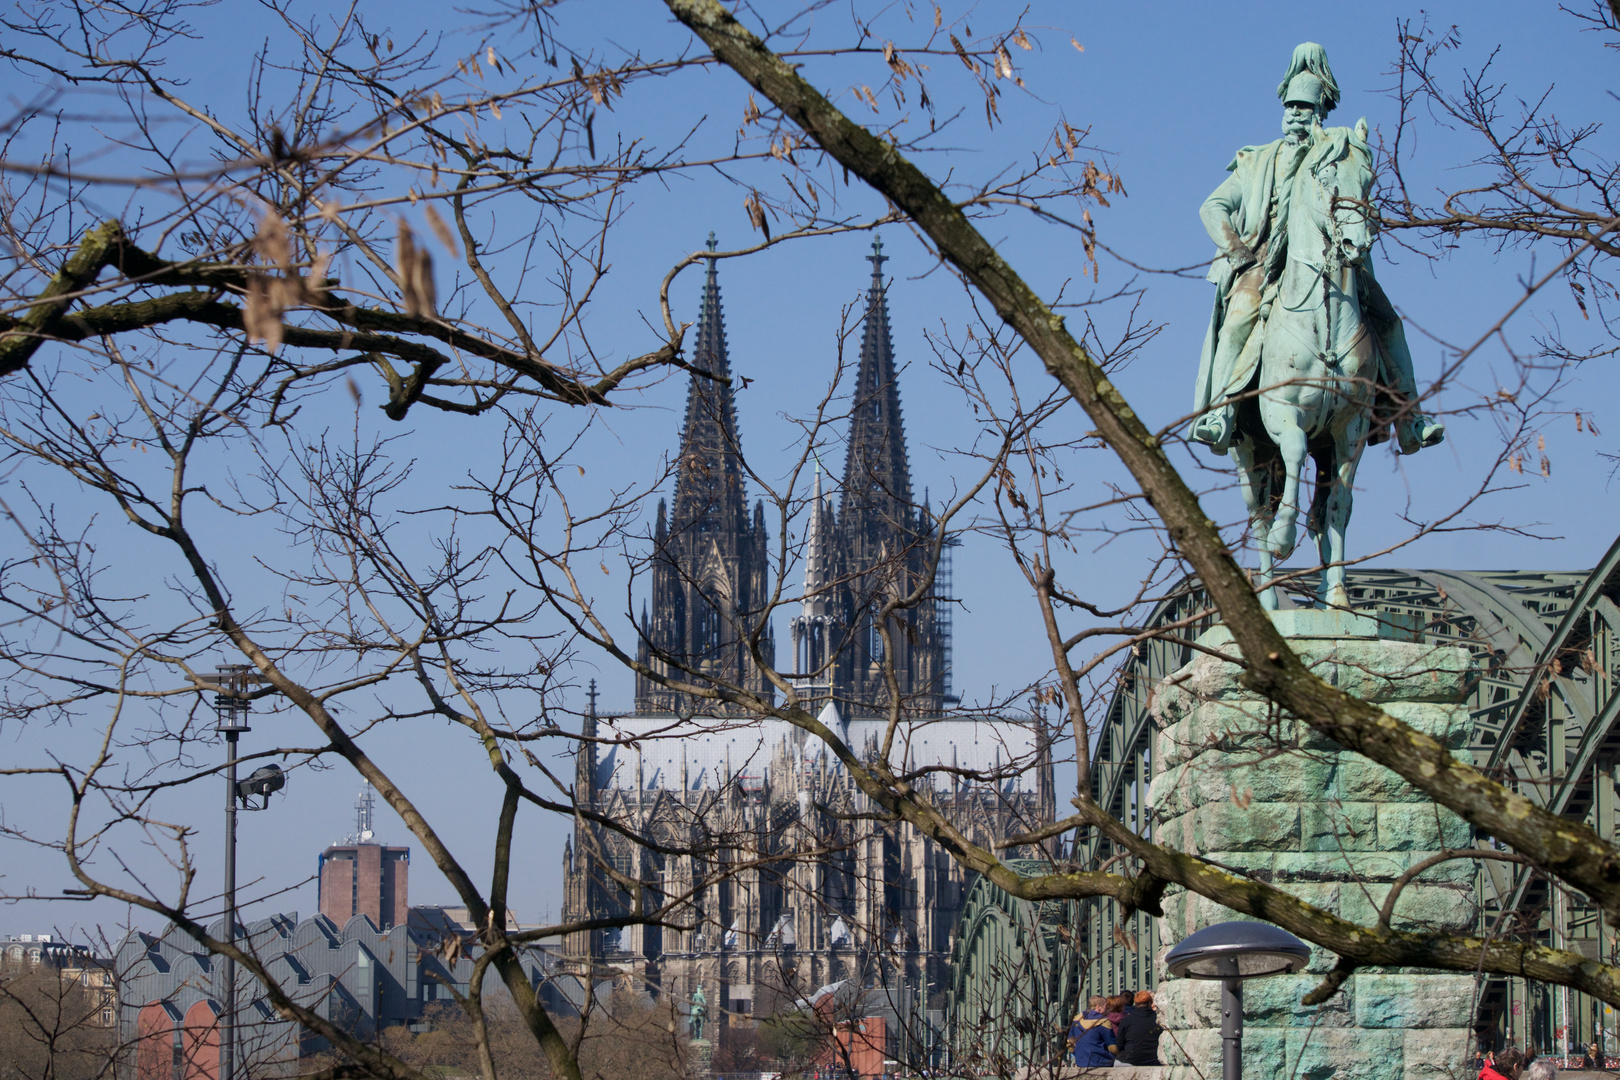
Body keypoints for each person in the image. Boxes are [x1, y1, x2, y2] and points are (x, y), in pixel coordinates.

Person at [1191, 42, 1444, 457]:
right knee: (1238, 319)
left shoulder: (1338, 155)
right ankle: (1221, 412)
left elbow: (1362, 201)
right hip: (1266, 260)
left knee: (1388, 321)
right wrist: (1237, 251)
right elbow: (1212, 205)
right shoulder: (1258, 160)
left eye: (1304, 108)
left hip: (1335, 261)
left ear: (1320, 113)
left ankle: (1409, 416)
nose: (1295, 115)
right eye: (1290, 107)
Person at [1113, 991, 1163, 1067]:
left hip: (1132, 1059)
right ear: (1150, 1003)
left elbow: (1120, 1044)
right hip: (1154, 1058)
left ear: (1135, 1003)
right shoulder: (1158, 1019)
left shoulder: (1127, 1020)